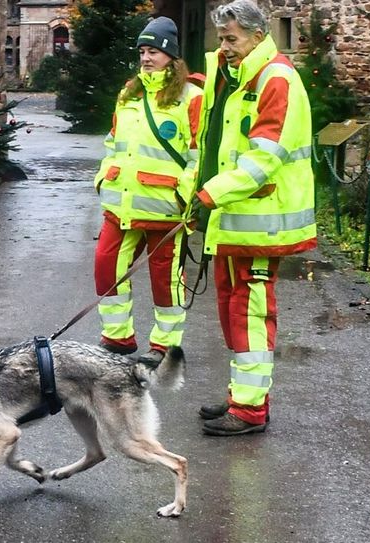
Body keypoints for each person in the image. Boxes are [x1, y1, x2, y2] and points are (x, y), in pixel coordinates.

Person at [192, 0, 316, 436]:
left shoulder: (274, 78)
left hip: (261, 221)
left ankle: (249, 411)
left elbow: (264, 159)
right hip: (237, 217)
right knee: (234, 310)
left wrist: (209, 194)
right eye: (221, 39)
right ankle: (242, 397)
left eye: (231, 39)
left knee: (250, 313)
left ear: (258, 35)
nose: (224, 47)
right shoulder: (239, 77)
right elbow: (215, 148)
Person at [93, 16, 203, 366]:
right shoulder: (129, 92)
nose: (145, 57)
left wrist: (184, 197)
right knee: (106, 267)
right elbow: (113, 143)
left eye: (153, 50)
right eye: (142, 50)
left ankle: (165, 346)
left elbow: (199, 154)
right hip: (121, 205)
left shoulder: (192, 96)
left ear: (171, 55)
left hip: (165, 208)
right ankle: (117, 337)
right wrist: (102, 178)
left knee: (165, 280)